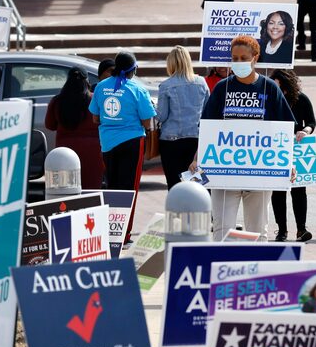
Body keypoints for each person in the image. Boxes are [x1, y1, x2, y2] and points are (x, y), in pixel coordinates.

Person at [196, 35, 296, 241]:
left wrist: (289, 162)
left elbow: (283, 129)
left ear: (255, 58)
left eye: (243, 58)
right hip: (224, 173)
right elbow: (207, 127)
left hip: (259, 173)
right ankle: (221, 270)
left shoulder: (270, 88)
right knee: (222, 228)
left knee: (257, 230)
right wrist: (197, 158)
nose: (238, 62)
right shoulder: (222, 88)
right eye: (235, 58)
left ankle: (256, 271)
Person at [89, 51, 156, 242]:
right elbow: (146, 122)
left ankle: (110, 232)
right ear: (132, 70)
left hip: (108, 144)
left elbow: (95, 117)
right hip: (132, 142)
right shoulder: (137, 89)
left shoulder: (101, 87)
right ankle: (123, 234)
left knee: (112, 186)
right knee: (129, 189)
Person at [270, 69, 315, 242]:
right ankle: (282, 230)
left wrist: (306, 130)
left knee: (299, 191)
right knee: (278, 191)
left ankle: (301, 229)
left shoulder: (301, 99)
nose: (277, 90)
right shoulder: (270, 101)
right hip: (275, 148)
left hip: (296, 148)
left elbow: (311, 121)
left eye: (279, 86)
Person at [157, 46, 210, 190]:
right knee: (198, 186)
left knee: (174, 186)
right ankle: (200, 212)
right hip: (195, 140)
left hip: (171, 142)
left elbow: (161, 116)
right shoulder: (201, 82)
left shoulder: (166, 85)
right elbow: (207, 113)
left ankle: (177, 213)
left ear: (171, 63)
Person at [45, 68, 104, 190]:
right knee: (91, 191)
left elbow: (49, 125)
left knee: (66, 191)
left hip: (65, 153)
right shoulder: (96, 99)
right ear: (87, 81)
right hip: (93, 153)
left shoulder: (57, 101)